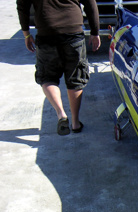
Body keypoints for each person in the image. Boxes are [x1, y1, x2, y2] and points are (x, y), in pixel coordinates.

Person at [16, 0, 101, 135]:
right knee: (75, 77)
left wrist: (26, 34)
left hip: (46, 31)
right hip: (73, 30)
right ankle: (75, 123)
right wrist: (95, 31)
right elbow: (90, 3)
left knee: (48, 77)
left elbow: (22, 5)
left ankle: (61, 114)